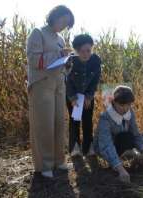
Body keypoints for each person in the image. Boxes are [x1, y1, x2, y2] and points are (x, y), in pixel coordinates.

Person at [26, 5, 74, 178]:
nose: (64, 25)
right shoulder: (38, 33)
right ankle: (44, 165)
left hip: (59, 85)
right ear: (55, 16)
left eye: (67, 24)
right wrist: (59, 54)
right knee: (44, 124)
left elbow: (60, 64)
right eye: (63, 20)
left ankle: (58, 160)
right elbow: (33, 60)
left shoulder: (60, 38)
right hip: (41, 84)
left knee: (59, 123)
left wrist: (67, 63)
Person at [94, 85, 143, 183]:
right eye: (122, 105)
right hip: (106, 147)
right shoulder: (105, 118)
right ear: (114, 102)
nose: (125, 109)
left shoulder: (130, 112)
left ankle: (134, 155)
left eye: (128, 105)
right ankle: (120, 159)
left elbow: (136, 134)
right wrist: (121, 169)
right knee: (125, 137)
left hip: (123, 141)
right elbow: (106, 145)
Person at [66, 34, 101, 157]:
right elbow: (67, 80)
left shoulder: (96, 60)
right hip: (73, 95)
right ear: (76, 50)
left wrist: (89, 96)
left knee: (87, 120)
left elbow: (95, 79)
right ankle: (75, 147)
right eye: (82, 51)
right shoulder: (70, 60)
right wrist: (72, 98)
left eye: (88, 50)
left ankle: (89, 147)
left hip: (87, 95)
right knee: (74, 119)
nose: (86, 54)